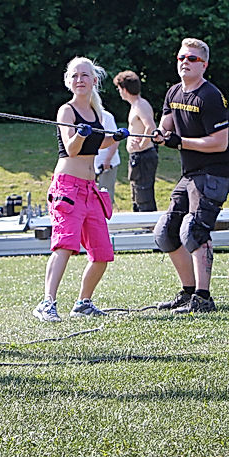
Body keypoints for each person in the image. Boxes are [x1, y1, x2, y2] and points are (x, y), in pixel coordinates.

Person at [151, 38, 229, 314]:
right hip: (190, 172)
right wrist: (154, 135)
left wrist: (181, 142)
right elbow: (165, 128)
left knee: (195, 230)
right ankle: (188, 292)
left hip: (217, 170)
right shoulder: (173, 93)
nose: (185, 63)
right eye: (181, 58)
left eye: (192, 59)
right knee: (165, 233)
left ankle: (203, 298)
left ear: (204, 64)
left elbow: (220, 142)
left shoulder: (211, 96)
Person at [33, 59, 123, 322]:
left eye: (85, 75)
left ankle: (84, 303)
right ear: (68, 81)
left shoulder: (98, 114)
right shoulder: (66, 111)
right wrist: (82, 134)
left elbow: (96, 143)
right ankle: (47, 303)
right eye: (75, 76)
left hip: (90, 188)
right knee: (64, 245)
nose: (80, 79)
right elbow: (72, 148)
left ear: (95, 81)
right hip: (67, 188)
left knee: (102, 253)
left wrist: (114, 137)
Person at [114, 70, 159, 211]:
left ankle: (149, 229)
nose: (119, 92)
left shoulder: (140, 105)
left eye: (119, 88)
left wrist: (141, 145)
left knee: (143, 195)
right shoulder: (135, 105)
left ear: (125, 89)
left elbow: (151, 127)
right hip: (137, 157)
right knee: (137, 195)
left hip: (144, 157)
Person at [94, 107, 122, 199]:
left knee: (106, 194)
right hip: (90, 163)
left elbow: (115, 139)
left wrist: (108, 159)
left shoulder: (107, 117)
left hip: (106, 163)